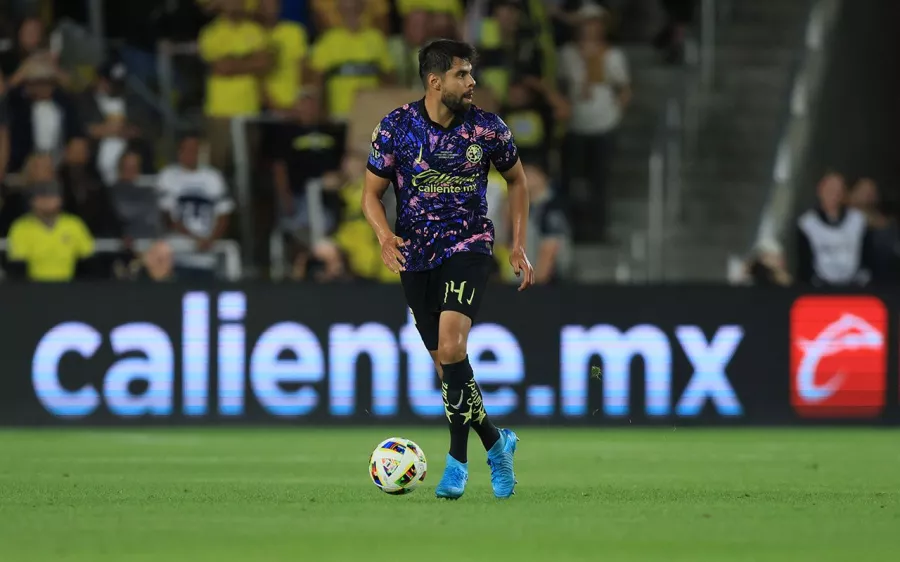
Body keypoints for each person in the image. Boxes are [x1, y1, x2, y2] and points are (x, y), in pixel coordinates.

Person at [361, 39, 535, 500]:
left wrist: (518, 246)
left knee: (453, 346)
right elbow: (370, 195)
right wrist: (383, 237)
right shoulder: (396, 127)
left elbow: (517, 181)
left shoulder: (487, 130)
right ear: (435, 81)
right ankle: (497, 443)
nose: (472, 82)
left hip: (469, 245)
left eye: (472, 73)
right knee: (446, 366)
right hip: (415, 255)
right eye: (463, 74)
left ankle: (457, 462)